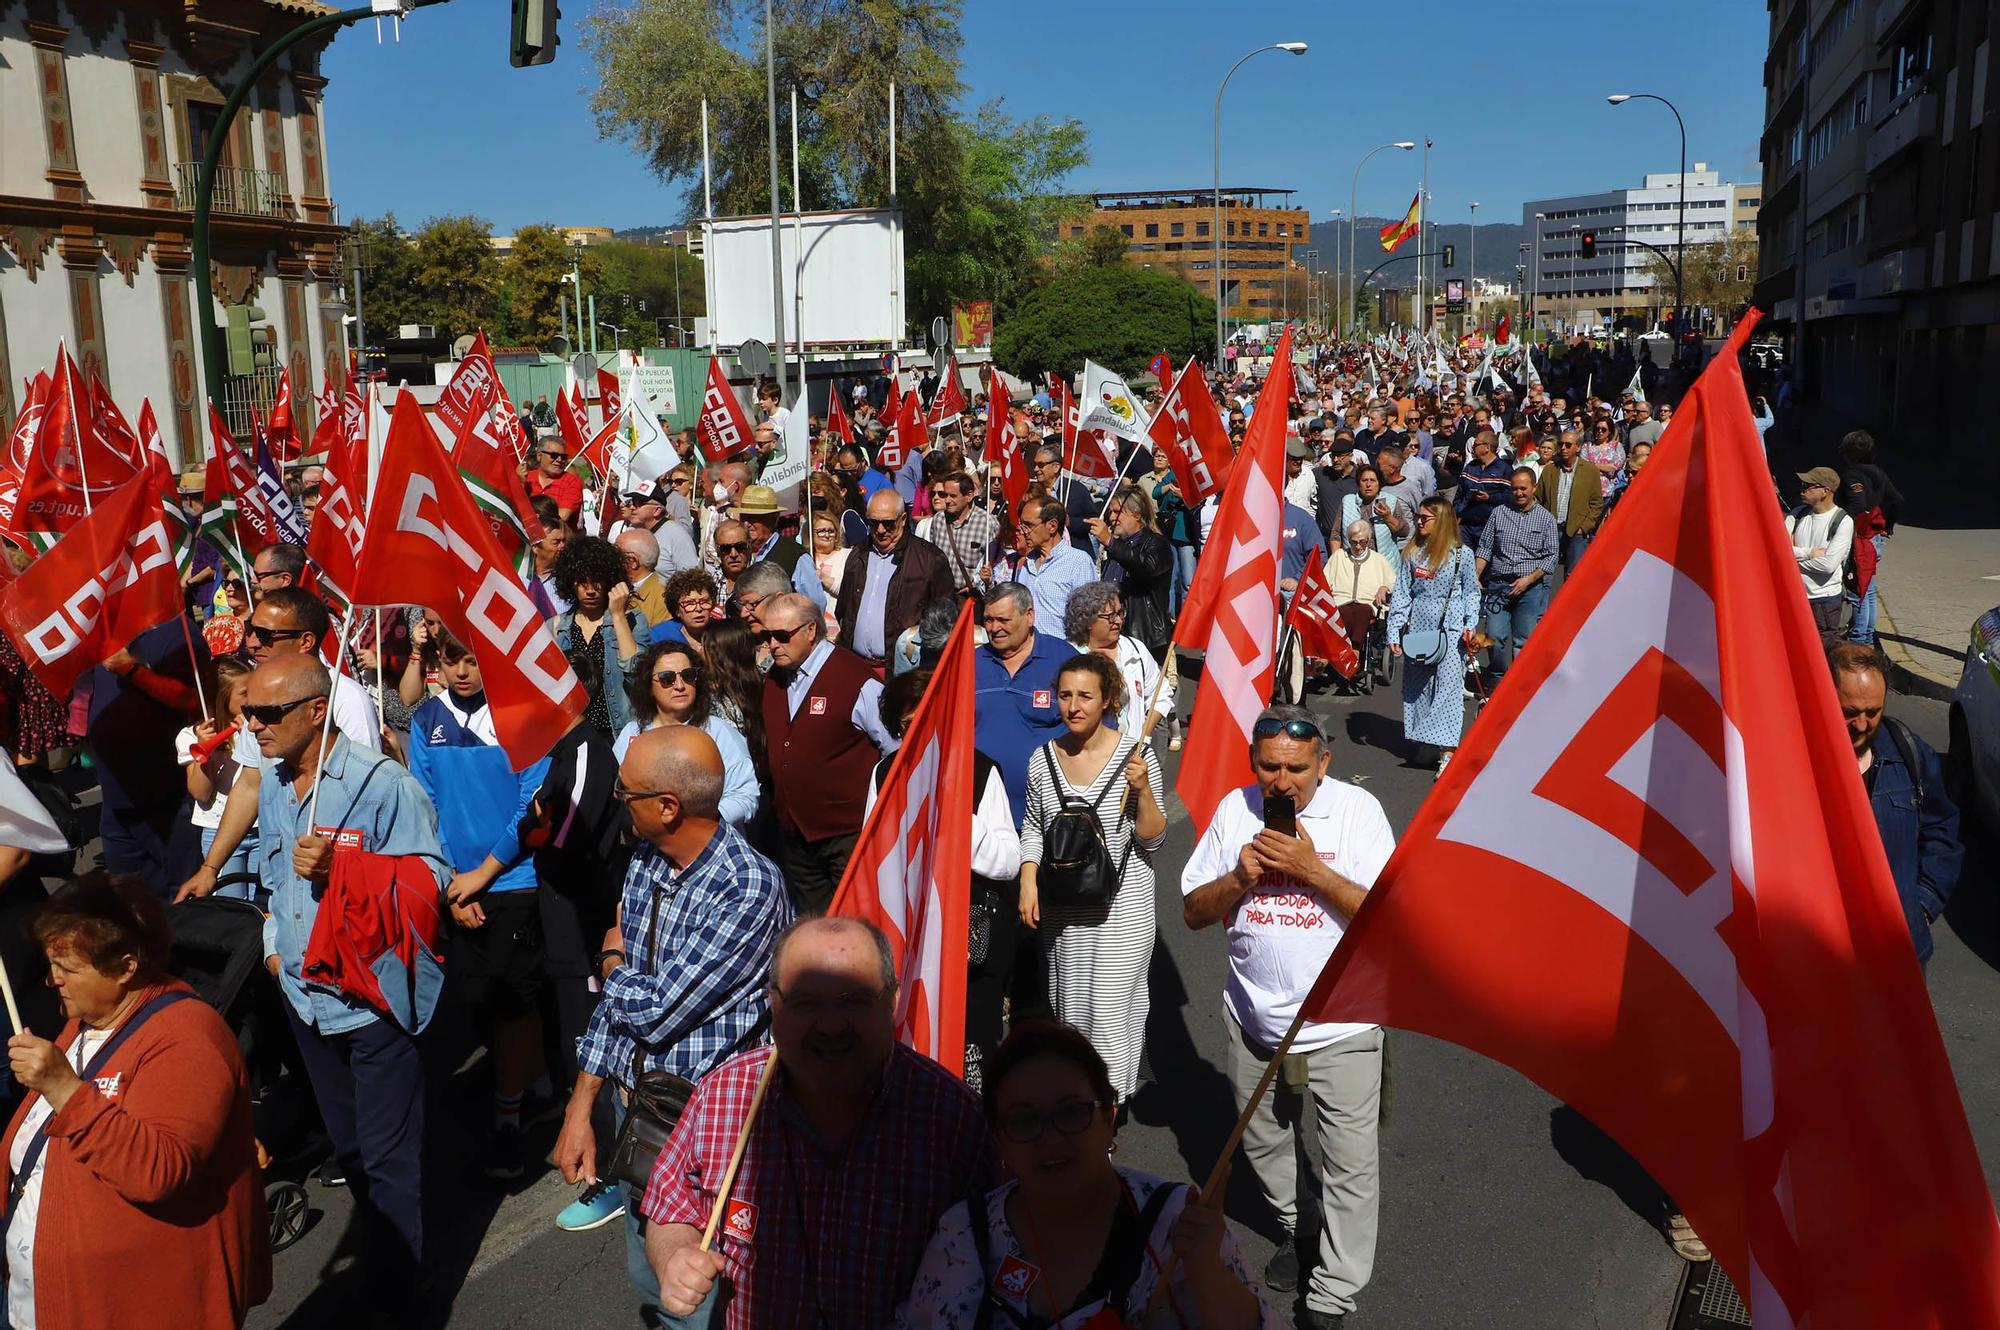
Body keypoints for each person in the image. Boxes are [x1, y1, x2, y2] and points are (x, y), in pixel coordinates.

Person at [640, 917, 997, 1328]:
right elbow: (670, 1204)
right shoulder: (725, 1093)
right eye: (806, 1003)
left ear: (892, 1000)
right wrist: (676, 1256)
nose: (830, 1025)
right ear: (774, 1002)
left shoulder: (952, 1118)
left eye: (854, 1000)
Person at [554, 726, 793, 1324]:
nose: (616, 803)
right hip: (640, 1114)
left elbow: (656, 1010)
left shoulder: (747, 887)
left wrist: (610, 964)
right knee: (649, 1274)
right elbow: (624, 1013)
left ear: (667, 807)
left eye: (624, 794)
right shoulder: (645, 863)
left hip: (709, 1128)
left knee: (701, 1293)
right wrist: (581, 1106)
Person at [1180, 707, 1396, 1330]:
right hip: (1253, 1018)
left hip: (1343, 1022)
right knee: (1265, 1142)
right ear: (1254, 764)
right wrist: (1240, 878)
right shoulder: (1235, 810)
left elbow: (1386, 915)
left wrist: (1312, 871)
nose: (1283, 783)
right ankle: (1299, 1227)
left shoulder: (1357, 815)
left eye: (1297, 769)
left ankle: (1333, 1292)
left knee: (1349, 1163)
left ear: (1323, 763)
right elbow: (1195, 910)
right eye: (1270, 767)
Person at [251, 653, 450, 1297]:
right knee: (351, 1146)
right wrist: (274, 949)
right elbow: (271, 871)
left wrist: (344, 869)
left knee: (388, 1157)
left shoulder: (380, 784)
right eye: (249, 711)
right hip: (304, 998)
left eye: (269, 713)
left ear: (316, 712)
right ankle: (383, 1253)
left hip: (371, 999)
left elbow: (433, 882)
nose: (255, 725)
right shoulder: (277, 780)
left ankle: (400, 1293)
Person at [2, 872, 270, 1329]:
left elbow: (158, 1171)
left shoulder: (188, 1039)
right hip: (43, 1297)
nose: (52, 981)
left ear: (126, 967)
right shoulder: (85, 1023)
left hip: (131, 1306)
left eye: (67, 968)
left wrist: (64, 1088)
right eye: (51, 965)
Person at [896, 1020, 1275, 1330]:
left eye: (1071, 1112)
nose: (1050, 1138)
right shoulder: (963, 1239)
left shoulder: (1176, 1226)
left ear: (1110, 1119)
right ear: (999, 1140)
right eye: (1024, 1120)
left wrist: (1207, 1271)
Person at [408, 633, 554, 1180]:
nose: (464, 672)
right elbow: (425, 805)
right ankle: (536, 1084)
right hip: (456, 885)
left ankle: (508, 1120)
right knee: (482, 1003)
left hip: (512, 878)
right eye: (453, 661)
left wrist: (483, 875)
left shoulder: (520, 712)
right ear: (438, 665)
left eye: (474, 660)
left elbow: (529, 806)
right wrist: (451, 883)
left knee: (510, 1002)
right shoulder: (426, 720)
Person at [1016, 655, 1165, 1104]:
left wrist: (1142, 791)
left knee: (1111, 1013)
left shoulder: (1136, 757)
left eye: (1085, 696)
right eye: (1065, 696)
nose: (1074, 706)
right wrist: (1027, 880)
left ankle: (1107, 1109)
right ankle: (1080, 1098)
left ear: (1107, 700)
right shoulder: (1042, 759)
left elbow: (1154, 841)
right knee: (1071, 1011)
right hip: (1064, 913)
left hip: (1121, 914)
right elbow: (1033, 828)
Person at [866, 667, 1021, 1088]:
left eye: (930, 719)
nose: (919, 731)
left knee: (970, 1047)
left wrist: (953, 818)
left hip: (969, 942)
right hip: (911, 940)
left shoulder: (980, 771)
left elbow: (1008, 860)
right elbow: (873, 858)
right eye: (907, 722)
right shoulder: (885, 774)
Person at [758, 591, 895, 912]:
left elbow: (894, 749)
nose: (773, 644)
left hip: (848, 836)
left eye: (781, 635)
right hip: (796, 837)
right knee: (815, 929)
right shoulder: (774, 679)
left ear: (810, 631)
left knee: (859, 922)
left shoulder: (855, 679)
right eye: (767, 636)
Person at [1830, 644, 1963, 967]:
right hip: (1825, 957)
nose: (1862, 725)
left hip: (1899, 954)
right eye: (1849, 712)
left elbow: (1941, 829)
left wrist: (1922, 906)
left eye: (1872, 712)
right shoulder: (1795, 764)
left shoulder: (1908, 753)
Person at [83, 615, 206, 896]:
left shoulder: (177, 631)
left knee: (182, 896)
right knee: (129, 899)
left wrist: (130, 669)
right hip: (116, 798)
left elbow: (191, 700)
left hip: (165, 797)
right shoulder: (108, 627)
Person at [615, 641, 761, 826]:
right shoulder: (632, 733)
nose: (680, 685)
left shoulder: (720, 732)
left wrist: (699, 825)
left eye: (688, 675)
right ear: (649, 686)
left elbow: (745, 794)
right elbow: (616, 793)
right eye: (667, 678)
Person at [1387, 497, 1481, 775]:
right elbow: (1403, 592)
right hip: (1420, 626)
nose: (1418, 521)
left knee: (1448, 691)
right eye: (1417, 516)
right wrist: (1394, 628)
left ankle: (1448, 753)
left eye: (1424, 518)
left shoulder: (1460, 555)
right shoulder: (1413, 552)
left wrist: (1470, 623)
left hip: (1450, 626)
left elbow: (1471, 591)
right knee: (1420, 688)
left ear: (1440, 521)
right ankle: (1428, 742)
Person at [974, 584, 1073, 825]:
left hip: (1049, 817)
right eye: (988, 620)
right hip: (983, 817)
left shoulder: (1064, 660)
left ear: (1029, 616)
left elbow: (1098, 726)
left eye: (1003, 620)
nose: (994, 628)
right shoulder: (970, 664)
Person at [837, 489, 956, 668]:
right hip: (856, 666)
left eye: (888, 524)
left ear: (902, 519)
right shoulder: (858, 554)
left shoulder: (930, 559)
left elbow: (944, 622)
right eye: (873, 523)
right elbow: (843, 609)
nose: (880, 530)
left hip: (903, 670)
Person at [553, 535, 654, 739]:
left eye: (597, 581)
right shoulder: (556, 626)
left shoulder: (633, 620)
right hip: (573, 733)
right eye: (582, 582)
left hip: (617, 733)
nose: (590, 590)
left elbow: (637, 677)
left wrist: (617, 614)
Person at [177, 657, 258, 898]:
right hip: (218, 831)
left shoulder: (260, 727)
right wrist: (206, 752)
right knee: (231, 904)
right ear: (222, 697)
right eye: (245, 692)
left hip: (262, 828)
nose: (253, 697)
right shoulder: (189, 736)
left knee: (264, 904)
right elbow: (200, 793)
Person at [1474, 467, 1560, 687]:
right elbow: (1485, 547)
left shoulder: (1546, 519)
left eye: (1523, 488)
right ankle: (1497, 677)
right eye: (1515, 489)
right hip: (1499, 585)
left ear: (1534, 488)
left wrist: (1528, 580)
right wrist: (1475, 575)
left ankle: (1519, 685)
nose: (1519, 493)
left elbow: (1550, 557)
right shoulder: (1499, 513)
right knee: (1494, 636)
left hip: (1529, 589)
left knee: (1524, 640)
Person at [1063, 580, 1168, 738]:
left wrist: (1144, 734)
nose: (1118, 621)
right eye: (1110, 616)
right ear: (1087, 621)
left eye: (1120, 613)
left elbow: (1160, 693)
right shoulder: (1068, 656)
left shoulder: (1135, 650)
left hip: (1132, 753)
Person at [1086, 487, 1173, 662]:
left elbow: (1145, 569)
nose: (1111, 518)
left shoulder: (1156, 543)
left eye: (1118, 512)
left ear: (1137, 514)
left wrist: (1110, 542)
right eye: (1111, 512)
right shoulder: (1118, 547)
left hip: (1144, 636)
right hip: (1115, 635)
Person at [1837, 430, 1904, 647]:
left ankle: (1859, 639)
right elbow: (1897, 500)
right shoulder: (1879, 473)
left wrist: (1837, 523)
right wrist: (1889, 526)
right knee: (1870, 590)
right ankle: (1867, 634)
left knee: (1859, 591)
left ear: (1848, 453)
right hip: (1874, 537)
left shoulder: (1851, 475)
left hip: (1860, 538)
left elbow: (1858, 505)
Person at [993, 494, 1095, 626]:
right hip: (1030, 645)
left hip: (1062, 645)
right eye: (1021, 525)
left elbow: (1088, 616)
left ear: (1052, 526)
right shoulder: (1026, 562)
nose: (1023, 532)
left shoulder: (1078, 562)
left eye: (1028, 525)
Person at [1786, 466, 1854, 650]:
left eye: (1808, 485)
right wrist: (1808, 553)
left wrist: (1790, 560)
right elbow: (1776, 551)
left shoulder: (1843, 521)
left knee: (1821, 654)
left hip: (1823, 601)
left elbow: (1828, 565)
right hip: (1795, 596)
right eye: (1802, 484)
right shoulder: (1797, 514)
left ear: (1825, 491)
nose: (1802, 489)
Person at [735, 484, 828, 610]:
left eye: (753, 518)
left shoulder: (794, 555)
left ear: (772, 519)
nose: (746, 524)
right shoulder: (736, 550)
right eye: (743, 517)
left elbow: (815, 605)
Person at [1534, 429, 1604, 576]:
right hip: (1551, 529)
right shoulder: (1550, 470)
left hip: (1576, 531)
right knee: (1545, 572)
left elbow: (1597, 503)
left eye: (1568, 445)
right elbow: (1538, 499)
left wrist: (1584, 527)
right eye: (1561, 444)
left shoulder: (1590, 471)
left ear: (1578, 447)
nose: (1563, 448)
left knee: (1573, 575)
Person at [928, 471, 1000, 596]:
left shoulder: (987, 523)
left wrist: (977, 584)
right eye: (945, 495)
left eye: (953, 496)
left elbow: (997, 565)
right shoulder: (939, 520)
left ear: (969, 496)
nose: (947, 500)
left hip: (971, 599)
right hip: (941, 595)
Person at [1337, 465, 1408, 577]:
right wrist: (1336, 561)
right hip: (1353, 563)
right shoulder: (1347, 501)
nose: (1368, 484)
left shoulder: (1391, 501)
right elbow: (1336, 534)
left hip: (1383, 567)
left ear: (1379, 483)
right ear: (1358, 483)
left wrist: (1388, 517)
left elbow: (1404, 532)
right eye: (1364, 480)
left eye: (1372, 480)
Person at [1454, 431, 1513, 549]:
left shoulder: (1504, 470)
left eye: (1476, 444)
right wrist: (1457, 513)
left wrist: (1490, 498)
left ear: (1487, 447)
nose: (1472, 447)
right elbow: (1459, 494)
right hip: (1466, 526)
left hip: (1489, 527)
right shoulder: (1470, 466)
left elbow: (1510, 497)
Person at [618, 529, 674, 628]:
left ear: (633, 561)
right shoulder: (616, 588)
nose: (610, 558)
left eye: (616, 554)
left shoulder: (663, 599)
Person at [527, 436, 585, 526]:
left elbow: (563, 516)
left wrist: (531, 518)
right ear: (539, 456)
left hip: (560, 538)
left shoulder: (572, 482)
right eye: (553, 455)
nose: (559, 460)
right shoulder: (526, 478)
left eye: (563, 457)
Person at [662, 568, 718, 656]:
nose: (698, 609)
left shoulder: (724, 635)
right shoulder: (660, 637)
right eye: (689, 603)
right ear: (677, 610)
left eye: (704, 602)